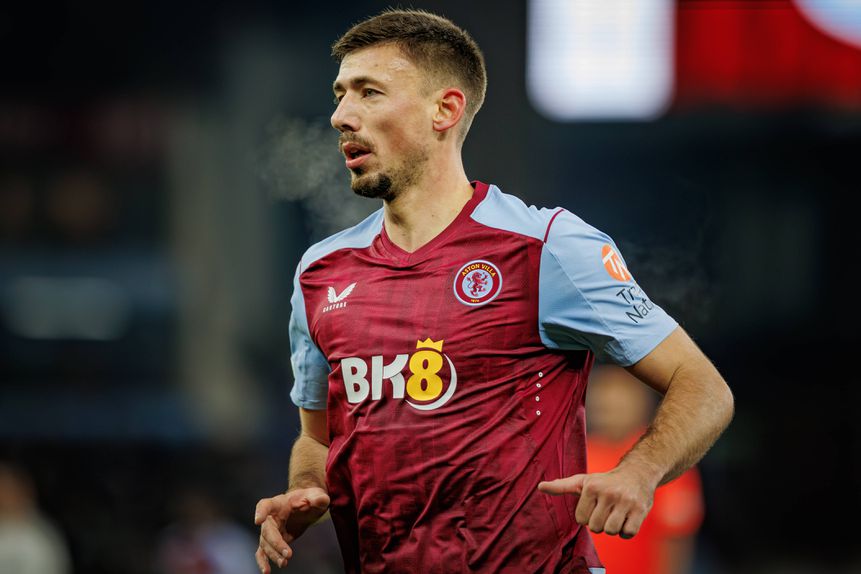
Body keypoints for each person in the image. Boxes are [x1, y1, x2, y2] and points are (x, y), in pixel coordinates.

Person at [254, 9, 734, 574]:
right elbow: (317, 440)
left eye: (369, 92)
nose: (341, 116)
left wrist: (639, 471)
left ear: (445, 109)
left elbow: (703, 388)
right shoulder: (321, 272)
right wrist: (305, 487)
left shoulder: (546, 247)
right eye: (340, 95)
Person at [586, 365, 704, 574]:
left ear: (643, 400)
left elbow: (675, 539)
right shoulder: (573, 454)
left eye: (622, 392)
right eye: (603, 390)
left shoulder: (665, 457)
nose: (609, 401)